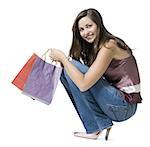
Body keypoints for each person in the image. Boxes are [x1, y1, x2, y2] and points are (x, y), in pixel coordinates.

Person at [48, 8, 142, 140]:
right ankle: (97, 126)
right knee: (67, 70)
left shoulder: (109, 46)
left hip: (125, 106)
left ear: (98, 25)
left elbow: (83, 84)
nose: (86, 32)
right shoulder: (95, 48)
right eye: (81, 29)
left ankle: (97, 126)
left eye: (89, 26)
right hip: (116, 102)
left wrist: (63, 58)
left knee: (71, 67)